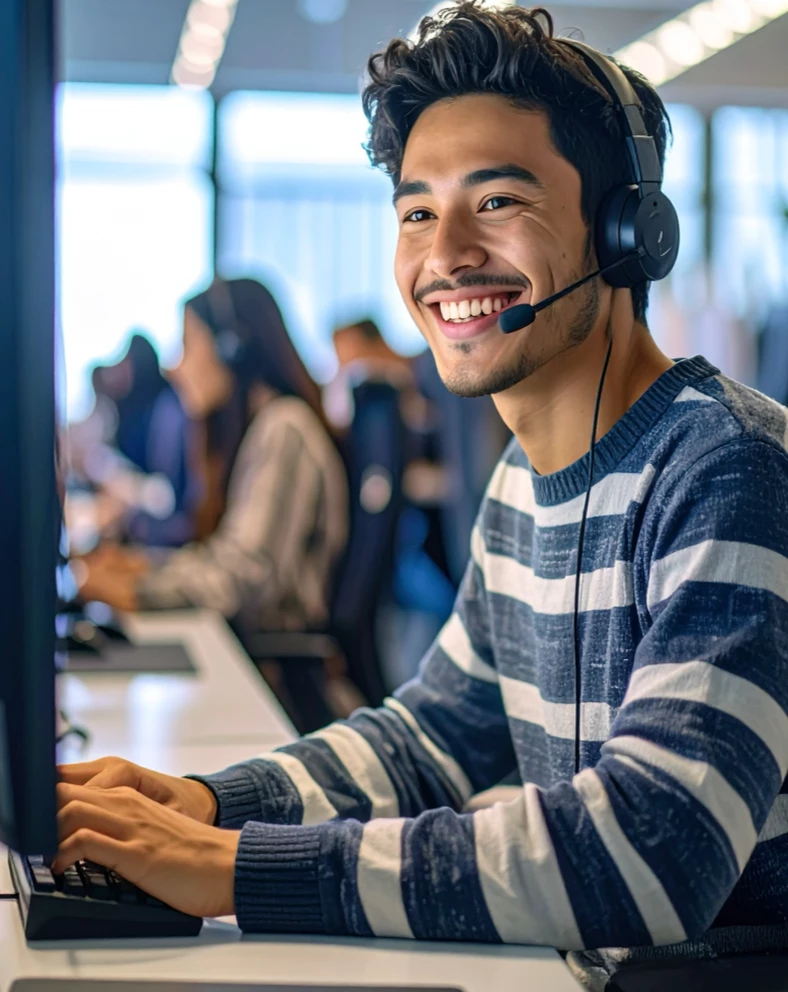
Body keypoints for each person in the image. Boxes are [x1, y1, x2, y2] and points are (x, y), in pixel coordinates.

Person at [56, 1, 788, 970]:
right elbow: (428, 735)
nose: (441, 254)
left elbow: (655, 849)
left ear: (625, 229)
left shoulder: (726, 465)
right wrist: (205, 801)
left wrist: (237, 865)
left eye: (495, 201)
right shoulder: (523, 482)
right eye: (414, 211)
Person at [76, 277, 348, 636]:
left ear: (230, 350)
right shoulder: (259, 428)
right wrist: (139, 567)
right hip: (247, 650)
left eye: (187, 344)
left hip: (273, 669)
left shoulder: (285, 428)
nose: (174, 366)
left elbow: (244, 578)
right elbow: (224, 557)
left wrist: (134, 588)